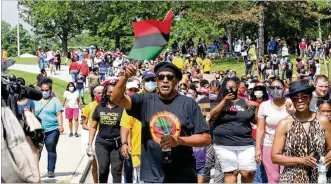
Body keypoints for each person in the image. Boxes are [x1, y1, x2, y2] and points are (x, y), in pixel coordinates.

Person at [112, 62, 211, 183]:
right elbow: (116, 99)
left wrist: (179, 140)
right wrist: (125, 77)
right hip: (152, 176)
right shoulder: (145, 100)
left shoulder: (188, 104)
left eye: (169, 77)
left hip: (183, 175)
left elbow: (206, 138)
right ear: (156, 81)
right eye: (160, 77)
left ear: (176, 81)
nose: (165, 80)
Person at [272, 79, 331, 183]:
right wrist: (300, 160)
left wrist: (327, 159)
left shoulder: (323, 121)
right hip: (293, 178)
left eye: (304, 96)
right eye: (295, 98)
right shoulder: (284, 124)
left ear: (310, 97)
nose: (299, 100)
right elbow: (275, 157)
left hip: (319, 178)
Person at [210, 76, 256, 183]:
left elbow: (254, 120)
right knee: (231, 172)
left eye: (234, 88)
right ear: (224, 88)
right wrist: (225, 101)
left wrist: (256, 107)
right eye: (229, 87)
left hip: (245, 142)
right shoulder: (217, 101)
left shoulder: (243, 102)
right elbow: (212, 116)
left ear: (238, 88)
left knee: (248, 172)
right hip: (224, 144)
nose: (231, 90)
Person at [87, 83, 124, 183]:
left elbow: (126, 128)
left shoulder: (122, 108)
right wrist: (89, 144)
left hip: (117, 145)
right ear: (105, 94)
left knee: (116, 171)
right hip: (102, 143)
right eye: (109, 92)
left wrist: (126, 144)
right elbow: (93, 127)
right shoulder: (99, 107)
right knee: (103, 169)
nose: (111, 95)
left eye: (114, 92)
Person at [255, 79, 289, 183]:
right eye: (272, 88)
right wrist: (257, 149)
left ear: (284, 89)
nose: (275, 90)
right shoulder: (264, 106)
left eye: (278, 87)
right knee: (274, 178)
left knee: (286, 177)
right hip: (269, 144)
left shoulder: (291, 103)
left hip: (287, 144)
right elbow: (260, 128)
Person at [34, 81, 64, 178]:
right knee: (37, 151)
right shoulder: (36, 100)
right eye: (42, 90)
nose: (44, 92)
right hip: (38, 130)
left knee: (50, 148)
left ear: (50, 90)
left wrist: (60, 125)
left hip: (52, 129)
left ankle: (50, 170)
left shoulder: (55, 100)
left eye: (46, 90)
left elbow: (59, 113)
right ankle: (35, 170)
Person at [120, 80, 141, 183]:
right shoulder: (123, 106)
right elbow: (126, 126)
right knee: (128, 167)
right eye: (130, 90)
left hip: (139, 146)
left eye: (135, 90)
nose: (133, 92)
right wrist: (126, 143)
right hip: (129, 144)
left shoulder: (140, 103)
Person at [82, 85, 104, 183]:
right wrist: (93, 130)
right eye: (98, 93)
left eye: (102, 93)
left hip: (105, 137)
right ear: (94, 94)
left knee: (104, 165)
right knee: (94, 165)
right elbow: (84, 124)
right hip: (94, 137)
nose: (100, 95)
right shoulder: (89, 106)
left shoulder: (108, 105)